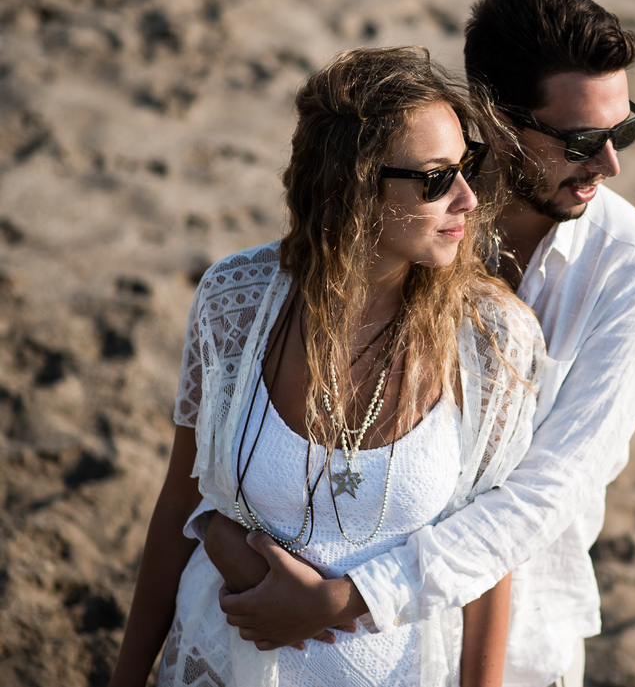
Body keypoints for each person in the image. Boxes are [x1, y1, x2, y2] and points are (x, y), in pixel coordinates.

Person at [208, 0, 635, 686]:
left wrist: (352, 600)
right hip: (305, 625)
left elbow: (546, 492)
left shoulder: (634, 274)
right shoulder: (411, 199)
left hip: (512, 641)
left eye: (626, 128)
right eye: (583, 139)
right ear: (493, 116)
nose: (610, 164)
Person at [109, 46, 543, 687]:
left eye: (468, 165)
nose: (468, 198)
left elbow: (489, 552)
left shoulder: (491, 337)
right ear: (354, 185)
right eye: (434, 178)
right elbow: (181, 499)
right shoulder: (237, 298)